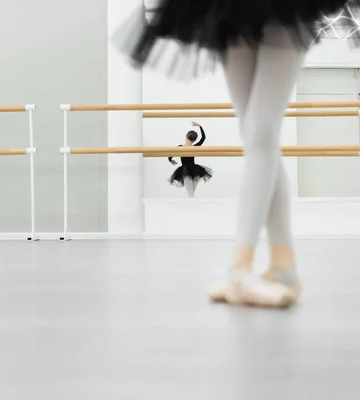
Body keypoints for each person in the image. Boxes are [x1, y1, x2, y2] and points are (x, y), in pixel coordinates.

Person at [113, 1, 360, 308]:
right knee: (255, 134)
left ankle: (240, 269)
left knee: (260, 132)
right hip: (228, 7)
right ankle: (282, 266)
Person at [168, 121, 212, 198]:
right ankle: (193, 206)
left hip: (185, 171)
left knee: (190, 193)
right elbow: (203, 138)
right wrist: (200, 126)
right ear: (194, 140)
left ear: (186, 137)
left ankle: (192, 207)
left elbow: (170, 155)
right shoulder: (194, 147)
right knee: (192, 193)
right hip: (195, 170)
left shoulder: (180, 147)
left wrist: (170, 160)